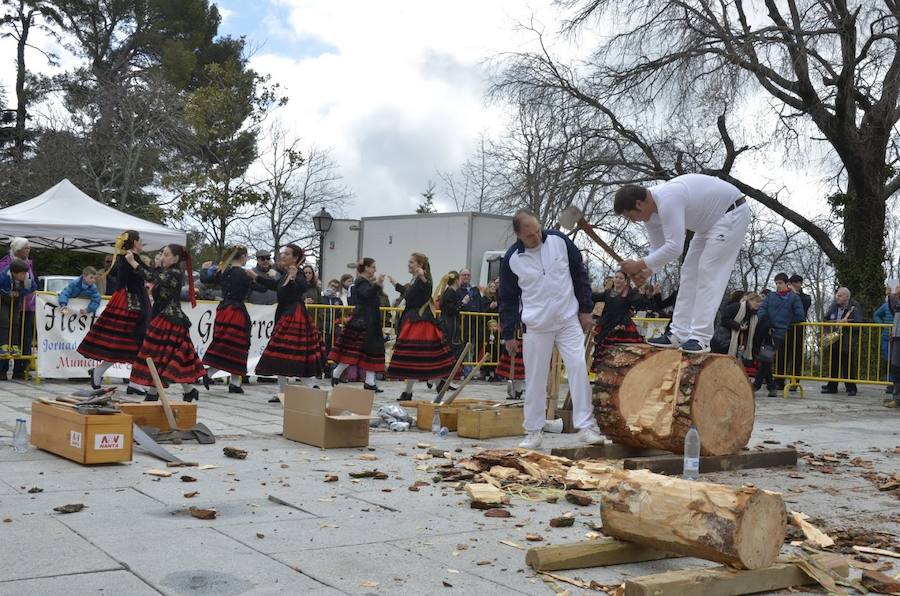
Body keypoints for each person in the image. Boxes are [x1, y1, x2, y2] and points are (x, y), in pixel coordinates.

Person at [499, 209, 605, 449]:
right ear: (519, 236)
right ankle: (533, 431)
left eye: (537, 230)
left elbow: (580, 274)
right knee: (535, 379)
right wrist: (508, 333)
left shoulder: (559, 241)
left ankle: (585, 426)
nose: (537, 237)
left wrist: (586, 309)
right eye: (530, 235)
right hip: (536, 325)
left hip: (567, 318)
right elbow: (507, 298)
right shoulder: (512, 259)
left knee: (578, 367)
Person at [614, 174, 751, 353]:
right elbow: (658, 247)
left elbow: (674, 247)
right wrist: (648, 270)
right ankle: (678, 334)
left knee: (708, 272)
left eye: (630, 216)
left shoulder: (668, 198)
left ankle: (701, 338)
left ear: (639, 204)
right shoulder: (651, 214)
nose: (632, 221)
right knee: (689, 273)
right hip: (707, 224)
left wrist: (639, 265)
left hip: (731, 213)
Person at [78, 230, 153, 395]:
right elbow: (148, 276)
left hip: (135, 300)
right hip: (130, 303)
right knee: (128, 342)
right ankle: (132, 381)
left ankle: (128, 380)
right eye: (140, 240)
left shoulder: (130, 258)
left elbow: (149, 275)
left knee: (128, 344)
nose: (142, 243)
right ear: (134, 242)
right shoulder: (128, 258)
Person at [126, 245, 204, 402]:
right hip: (164, 317)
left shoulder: (175, 273)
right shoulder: (166, 271)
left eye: (166, 255)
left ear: (175, 259)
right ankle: (185, 391)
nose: (162, 257)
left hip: (170, 319)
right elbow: (153, 276)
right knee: (164, 356)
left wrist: (133, 262)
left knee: (158, 355)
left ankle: (154, 394)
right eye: (162, 254)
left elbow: (151, 277)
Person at [254, 244, 327, 402]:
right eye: (283, 253)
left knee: (294, 352)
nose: (283, 256)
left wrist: (293, 278)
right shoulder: (285, 273)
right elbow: (276, 286)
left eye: (287, 254)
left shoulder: (297, 273)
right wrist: (255, 277)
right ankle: (283, 392)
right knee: (281, 352)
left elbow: (303, 287)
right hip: (285, 313)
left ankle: (311, 386)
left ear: (295, 258)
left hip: (294, 315)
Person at [201, 246, 269, 394]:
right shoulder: (244, 274)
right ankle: (233, 382)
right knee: (238, 346)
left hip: (223, 310)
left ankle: (217, 376)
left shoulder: (224, 271)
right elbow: (263, 289)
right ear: (243, 256)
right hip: (237, 311)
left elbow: (205, 279)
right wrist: (259, 276)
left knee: (223, 344)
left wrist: (204, 269)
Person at [387, 253, 455, 401]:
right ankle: (410, 391)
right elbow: (409, 293)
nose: (409, 265)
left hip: (420, 324)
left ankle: (434, 386)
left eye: (411, 262)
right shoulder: (415, 280)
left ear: (420, 265)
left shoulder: (423, 279)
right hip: (414, 321)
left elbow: (426, 289)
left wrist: (423, 277)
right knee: (417, 359)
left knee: (423, 357)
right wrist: (396, 285)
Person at [328, 258, 387, 392]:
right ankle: (337, 373)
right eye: (373, 267)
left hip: (371, 319)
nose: (375, 269)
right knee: (353, 349)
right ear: (366, 268)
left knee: (372, 350)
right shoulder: (360, 281)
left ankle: (370, 381)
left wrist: (376, 285)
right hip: (363, 320)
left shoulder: (365, 282)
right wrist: (377, 284)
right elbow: (366, 295)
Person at [590, 270, 656, 369]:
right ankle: (603, 373)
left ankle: (623, 373)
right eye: (616, 277)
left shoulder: (629, 292)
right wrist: (586, 291)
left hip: (621, 325)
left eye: (621, 278)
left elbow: (640, 304)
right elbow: (594, 297)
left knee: (621, 351)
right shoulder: (608, 292)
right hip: (606, 324)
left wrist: (643, 294)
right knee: (602, 349)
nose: (617, 280)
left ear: (625, 281)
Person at [753, 274, 805, 397]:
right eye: (776, 283)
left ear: (787, 284)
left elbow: (799, 316)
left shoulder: (794, 298)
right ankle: (771, 387)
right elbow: (762, 310)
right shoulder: (771, 296)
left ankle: (757, 385)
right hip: (766, 330)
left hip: (779, 332)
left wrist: (784, 322)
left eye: (780, 283)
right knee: (767, 359)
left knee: (766, 358)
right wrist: (766, 323)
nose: (778, 285)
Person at [0, 238, 36, 380]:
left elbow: (32, 285)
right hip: (5, 302)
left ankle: (21, 370)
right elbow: (2, 285)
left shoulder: (28, 265)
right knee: (4, 324)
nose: (28, 249)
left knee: (23, 335)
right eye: (26, 247)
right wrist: (7, 293)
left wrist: (20, 293)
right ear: (18, 249)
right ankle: (2, 369)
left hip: (24, 305)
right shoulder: (5, 266)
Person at [821, 287, 862, 396]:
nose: (837, 297)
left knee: (848, 364)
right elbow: (825, 318)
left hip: (847, 339)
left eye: (839, 295)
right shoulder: (833, 306)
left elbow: (859, 324)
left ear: (846, 297)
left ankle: (851, 388)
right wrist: (827, 330)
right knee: (834, 362)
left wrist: (848, 324)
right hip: (834, 338)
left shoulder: (854, 308)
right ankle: (832, 387)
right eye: (837, 295)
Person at [778, 274, 812, 390]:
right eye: (791, 284)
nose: (793, 286)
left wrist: (796, 295)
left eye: (795, 283)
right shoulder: (784, 296)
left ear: (800, 284)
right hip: (784, 328)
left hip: (798, 329)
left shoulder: (805, 297)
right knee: (782, 354)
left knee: (796, 355)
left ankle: (794, 382)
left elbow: (805, 306)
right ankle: (779, 380)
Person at [711, 292, 762, 365]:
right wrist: (738, 326)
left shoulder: (753, 316)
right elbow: (724, 319)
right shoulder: (737, 306)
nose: (758, 304)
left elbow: (748, 333)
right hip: (723, 339)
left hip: (736, 343)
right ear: (749, 300)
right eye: (756, 301)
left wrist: (744, 343)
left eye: (760, 302)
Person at [874, 291, 894, 395]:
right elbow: (876, 315)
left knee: (896, 361)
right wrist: (882, 325)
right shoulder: (886, 306)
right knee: (888, 361)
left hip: (897, 338)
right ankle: (890, 384)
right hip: (886, 337)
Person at [883, 284, 900, 407]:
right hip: (897, 335)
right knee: (895, 367)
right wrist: (891, 297)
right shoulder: (896, 299)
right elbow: (895, 310)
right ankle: (897, 398)